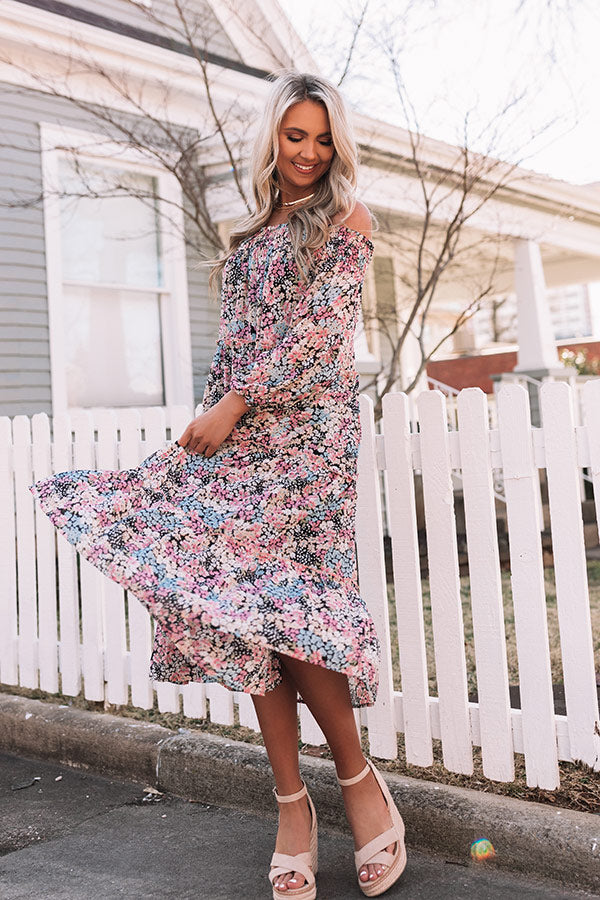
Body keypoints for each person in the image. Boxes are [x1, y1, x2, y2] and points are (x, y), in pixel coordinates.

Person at [29, 71, 407, 899]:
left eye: (323, 138)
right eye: (295, 135)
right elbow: (234, 349)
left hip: (306, 441)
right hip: (239, 438)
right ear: (272, 137)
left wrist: (236, 404)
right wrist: (216, 417)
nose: (308, 152)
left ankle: (358, 784)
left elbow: (320, 340)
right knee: (241, 615)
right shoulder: (249, 235)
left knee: (294, 614)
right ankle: (291, 804)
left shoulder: (346, 219)